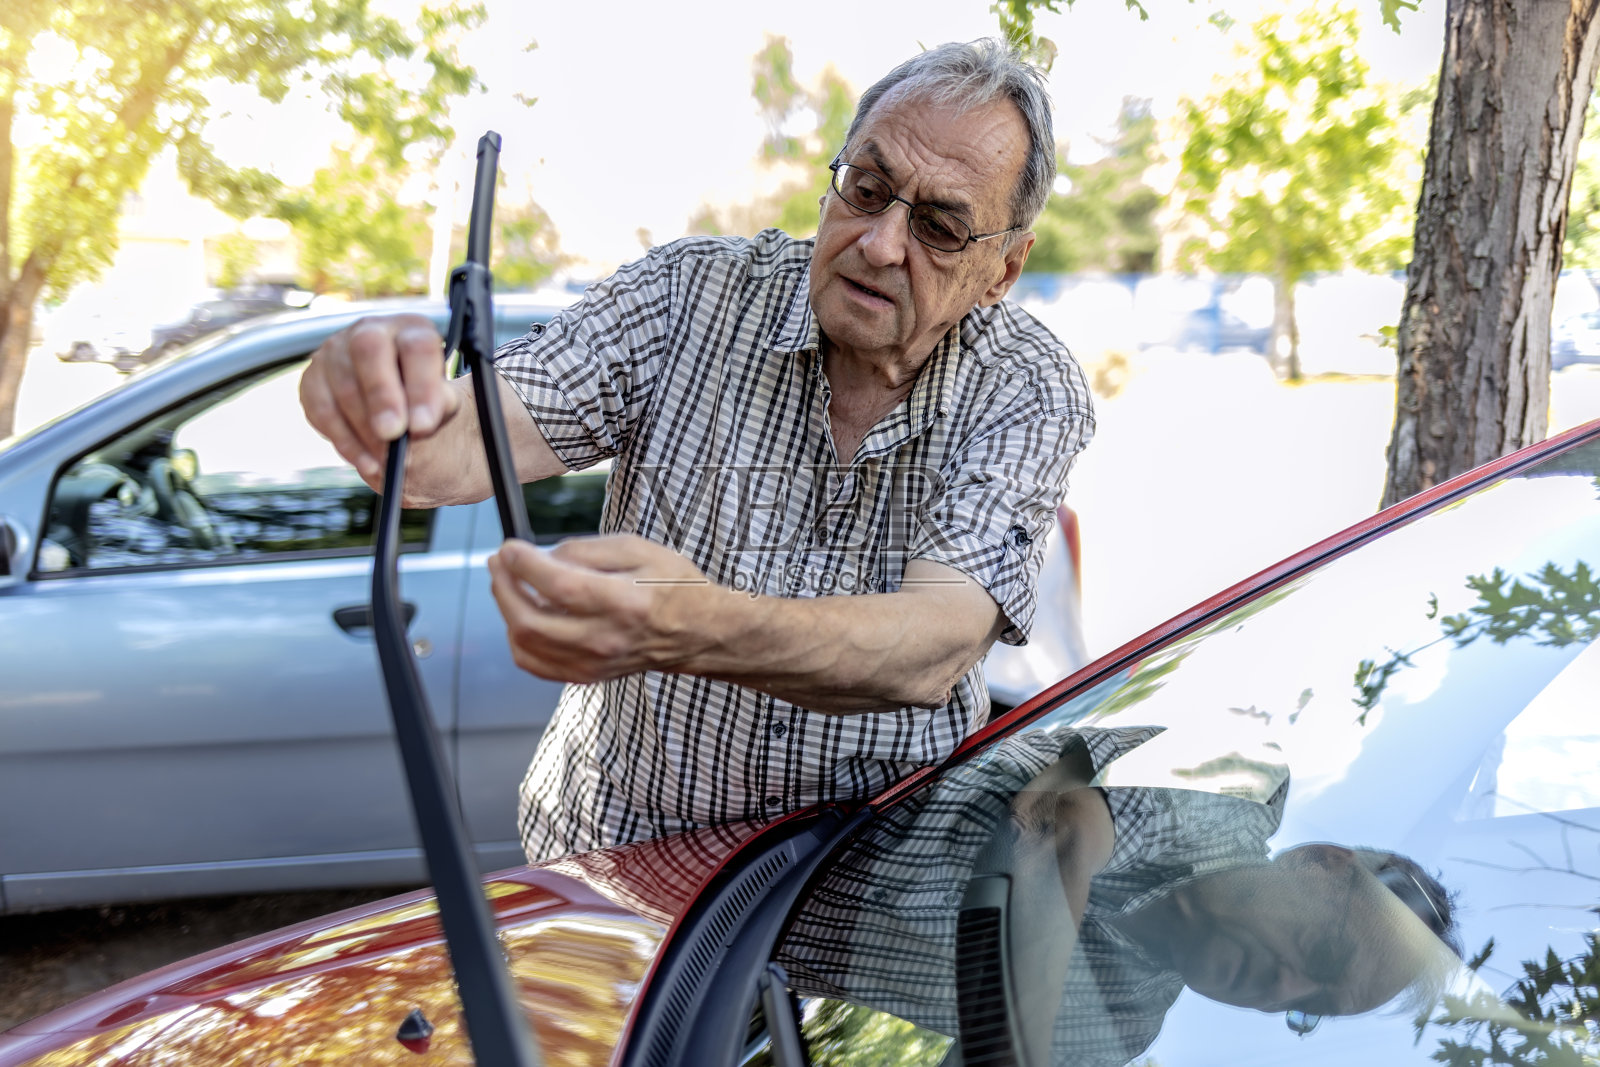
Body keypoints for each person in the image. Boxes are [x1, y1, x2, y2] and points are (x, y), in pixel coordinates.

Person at [298, 39, 1094, 862]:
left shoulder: (1027, 386)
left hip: (868, 872)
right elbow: (463, 442)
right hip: (618, 853)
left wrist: (689, 621)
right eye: (866, 189)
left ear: (1003, 270)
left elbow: (935, 644)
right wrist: (389, 404)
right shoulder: (689, 296)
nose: (881, 243)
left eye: (939, 227)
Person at [776, 724, 1462, 1067]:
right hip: (786, 780)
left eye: (1311, 1006)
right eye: (1324, 953)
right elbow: (1059, 829)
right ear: (1319, 863)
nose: (1283, 988)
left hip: (733, 941)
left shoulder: (1127, 1022)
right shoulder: (1248, 780)